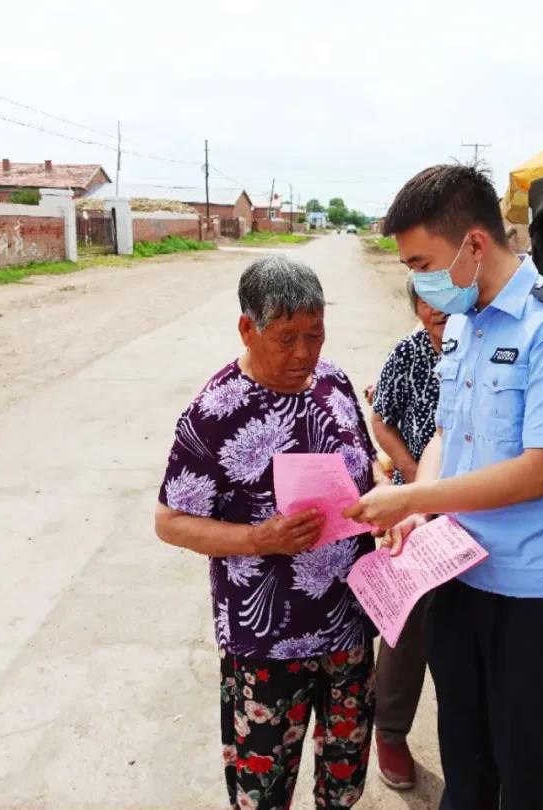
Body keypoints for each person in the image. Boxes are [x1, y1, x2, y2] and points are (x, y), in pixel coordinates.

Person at [344, 164, 543, 810]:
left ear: (475, 246)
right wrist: (417, 511)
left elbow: (540, 470)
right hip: (457, 578)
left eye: (422, 261)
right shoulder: (460, 323)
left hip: (531, 594)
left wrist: (411, 499)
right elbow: (443, 436)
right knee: (466, 756)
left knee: (532, 770)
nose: (418, 281)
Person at [154, 255, 386, 810]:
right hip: (267, 645)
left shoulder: (331, 381)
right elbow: (170, 522)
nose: (303, 353)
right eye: (286, 338)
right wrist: (260, 539)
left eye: (315, 334)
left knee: (344, 776)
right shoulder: (214, 412)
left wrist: (384, 497)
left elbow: (367, 461)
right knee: (263, 789)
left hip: (349, 629)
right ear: (246, 328)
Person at [367, 279, 447, 789]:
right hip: (415, 498)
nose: (437, 309)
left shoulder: (484, 345)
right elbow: (381, 419)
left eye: (446, 294)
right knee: (407, 619)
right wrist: (414, 478)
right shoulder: (410, 352)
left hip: (478, 505)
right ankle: (390, 731)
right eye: (425, 298)